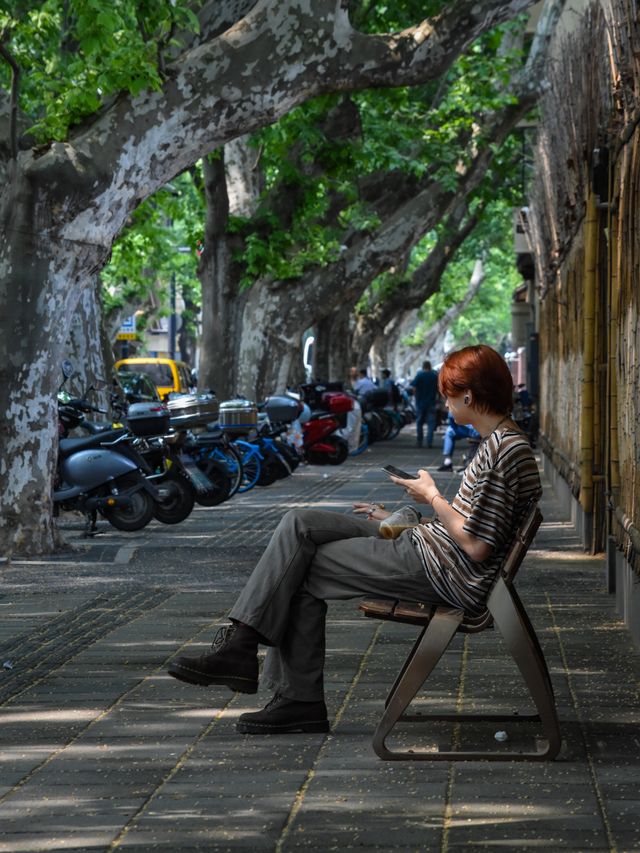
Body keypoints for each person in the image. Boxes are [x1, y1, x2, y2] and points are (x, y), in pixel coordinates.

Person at [167, 345, 541, 735]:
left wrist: (432, 496)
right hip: (430, 546)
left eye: (449, 393)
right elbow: (475, 526)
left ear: (469, 395)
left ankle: (291, 693)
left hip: (441, 568)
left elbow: (476, 545)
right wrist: (407, 518)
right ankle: (246, 651)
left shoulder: (502, 450)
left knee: (300, 566)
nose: (445, 403)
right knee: (299, 523)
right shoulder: (503, 442)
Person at [409, 360, 438, 448]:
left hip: (420, 403)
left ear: (423, 366)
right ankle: (429, 442)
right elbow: (439, 389)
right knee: (431, 423)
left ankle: (419, 441)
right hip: (432, 403)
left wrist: (416, 397)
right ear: (430, 366)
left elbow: (413, 388)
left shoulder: (419, 375)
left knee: (419, 423)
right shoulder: (434, 376)